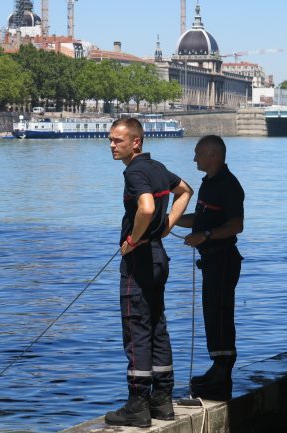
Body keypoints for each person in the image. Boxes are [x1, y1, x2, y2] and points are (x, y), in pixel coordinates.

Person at [105, 117, 193, 427]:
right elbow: (185, 191)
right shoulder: (157, 168)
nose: (112, 145)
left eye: (118, 140)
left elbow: (144, 207)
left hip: (140, 258)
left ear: (136, 142)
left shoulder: (135, 171)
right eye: (111, 140)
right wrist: (166, 225)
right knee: (157, 326)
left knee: (136, 330)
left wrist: (134, 238)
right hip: (159, 257)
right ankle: (163, 400)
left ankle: (137, 405)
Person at [177, 135, 244, 401]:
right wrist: (169, 221)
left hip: (224, 258)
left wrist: (205, 235)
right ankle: (217, 367)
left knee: (220, 314)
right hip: (212, 259)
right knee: (211, 313)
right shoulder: (208, 184)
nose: (194, 159)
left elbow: (236, 225)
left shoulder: (229, 185)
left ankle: (222, 371)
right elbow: (200, 219)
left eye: (198, 154)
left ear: (212, 155)